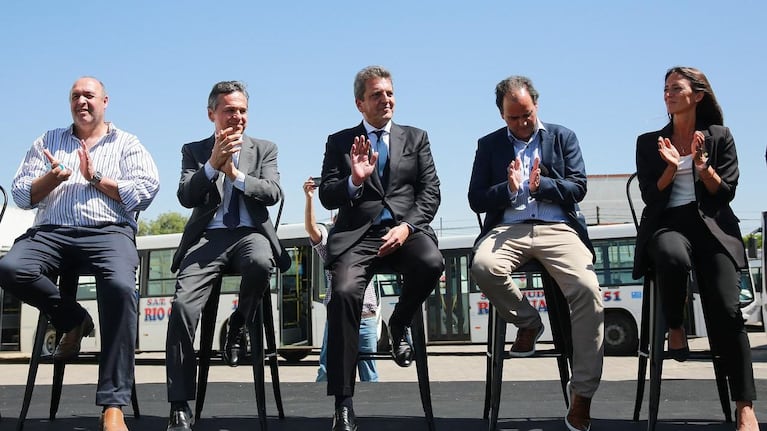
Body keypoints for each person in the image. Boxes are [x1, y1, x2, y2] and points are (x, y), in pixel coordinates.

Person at [0, 76, 159, 431]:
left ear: (105, 101)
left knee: (120, 287)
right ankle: (74, 319)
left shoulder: (127, 143)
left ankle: (113, 405)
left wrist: (95, 177)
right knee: (11, 267)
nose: (82, 101)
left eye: (89, 95)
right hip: (51, 232)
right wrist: (51, 179)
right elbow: (22, 194)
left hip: (108, 232)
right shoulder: (48, 140)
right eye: (75, 96)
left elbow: (146, 191)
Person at [468, 75, 603, 431]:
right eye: (513, 118)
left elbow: (579, 186)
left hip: (558, 227)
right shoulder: (489, 145)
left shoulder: (562, 136)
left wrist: (541, 185)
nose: (522, 123)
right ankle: (529, 322)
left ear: (536, 105)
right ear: (501, 115)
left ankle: (583, 394)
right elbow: (475, 198)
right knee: (483, 265)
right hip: (508, 227)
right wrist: (507, 188)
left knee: (588, 291)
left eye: (526, 114)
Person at [633, 66, 759, 431]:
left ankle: (745, 407)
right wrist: (672, 168)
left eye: (676, 88)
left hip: (713, 227)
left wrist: (703, 169)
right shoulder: (649, 142)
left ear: (697, 96)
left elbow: (727, 191)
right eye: (666, 89)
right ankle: (676, 325)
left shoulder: (720, 137)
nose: (668, 94)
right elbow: (650, 196)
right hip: (668, 223)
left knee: (726, 309)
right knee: (672, 257)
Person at [318, 65, 444, 431]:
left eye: (389, 93)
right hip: (358, 236)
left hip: (405, 232)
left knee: (431, 263)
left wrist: (407, 227)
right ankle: (343, 403)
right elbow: (327, 192)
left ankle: (399, 322)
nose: (386, 99)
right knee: (342, 294)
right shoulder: (339, 141)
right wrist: (354, 181)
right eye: (376, 94)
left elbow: (431, 192)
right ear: (360, 103)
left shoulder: (416, 137)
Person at [164, 80, 291, 431]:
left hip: (251, 235)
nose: (237, 116)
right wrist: (210, 166)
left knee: (261, 262)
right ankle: (179, 405)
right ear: (212, 114)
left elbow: (273, 192)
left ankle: (238, 325)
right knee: (181, 307)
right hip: (209, 239)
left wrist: (235, 174)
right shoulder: (194, 149)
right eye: (229, 110)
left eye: (242, 110)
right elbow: (186, 197)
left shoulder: (264, 148)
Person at [303, 177, 379, 383]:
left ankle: (373, 412)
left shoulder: (367, 242)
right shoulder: (331, 247)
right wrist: (310, 198)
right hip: (338, 316)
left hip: (366, 317)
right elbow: (311, 229)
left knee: (369, 372)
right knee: (328, 369)